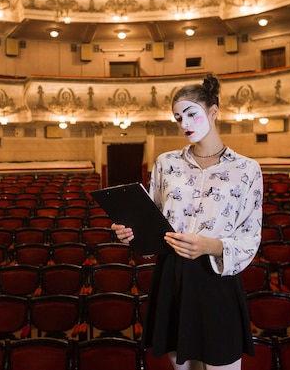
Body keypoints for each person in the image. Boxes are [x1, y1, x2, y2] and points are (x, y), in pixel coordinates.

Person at [112, 74, 263, 370]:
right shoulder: (165, 163)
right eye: (178, 118)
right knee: (181, 364)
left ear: (213, 112)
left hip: (217, 278)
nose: (184, 124)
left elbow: (250, 235)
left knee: (222, 363)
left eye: (191, 114)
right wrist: (131, 232)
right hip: (172, 276)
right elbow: (151, 221)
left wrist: (211, 245)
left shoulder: (246, 168)